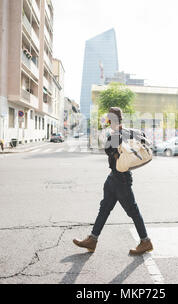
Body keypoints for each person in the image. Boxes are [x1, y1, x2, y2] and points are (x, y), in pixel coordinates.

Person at [73, 107, 153, 256]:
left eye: (108, 119)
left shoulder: (115, 135)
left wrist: (108, 133)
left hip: (121, 180)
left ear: (111, 119)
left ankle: (145, 241)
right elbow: (143, 137)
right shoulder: (129, 132)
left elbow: (108, 148)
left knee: (133, 211)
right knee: (104, 208)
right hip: (113, 178)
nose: (107, 122)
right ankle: (92, 239)